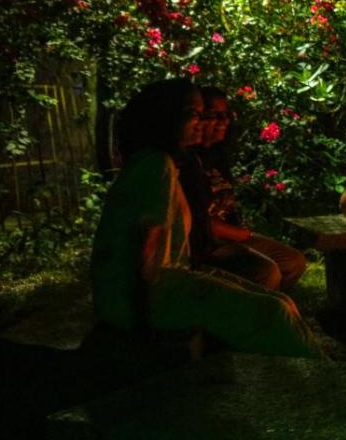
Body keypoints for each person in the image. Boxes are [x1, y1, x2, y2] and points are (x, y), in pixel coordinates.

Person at [90, 78, 320, 358]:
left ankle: (321, 369)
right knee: (274, 313)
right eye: (194, 114)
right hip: (150, 295)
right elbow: (146, 249)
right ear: (167, 117)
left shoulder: (166, 163)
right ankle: (324, 375)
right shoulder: (155, 166)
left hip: (165, 284)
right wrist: (141, 322)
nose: (203, 122)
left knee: (281, 302)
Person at [187, 86, 307, 293]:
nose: (224, 121)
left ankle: (274, 304)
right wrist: (240, 234)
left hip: (230, 236)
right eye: (215, 115)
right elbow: (195, 219)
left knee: (293, 261)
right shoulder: (187, 162)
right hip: (207, 243)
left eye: (227, 115)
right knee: (266, 272)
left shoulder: (217, 155)